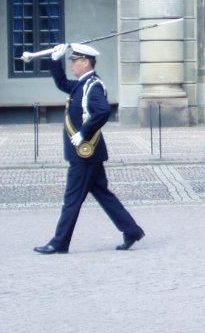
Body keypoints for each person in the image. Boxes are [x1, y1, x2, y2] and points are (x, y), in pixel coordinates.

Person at [34, 43, 145, 254]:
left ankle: (59, 243)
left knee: (72, 199)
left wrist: (83, 132)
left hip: (85, 153)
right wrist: (55, 62)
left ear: (85, 62)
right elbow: (61, 83)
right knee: (103, 195)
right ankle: (131, 231)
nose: (72, 65)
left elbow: (102, 112)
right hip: (87, 153)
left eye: (74, 61)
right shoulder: (81, 84)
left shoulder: (92, 85)